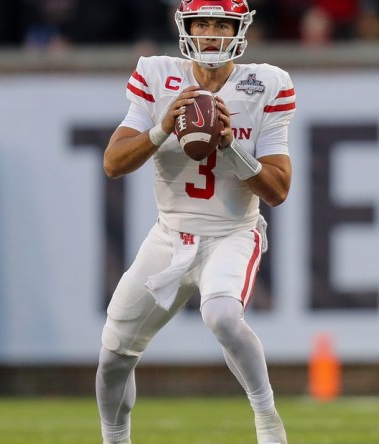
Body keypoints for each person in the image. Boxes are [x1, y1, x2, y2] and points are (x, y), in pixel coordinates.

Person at [94, 1, 296, 443]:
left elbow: (278, 190)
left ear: (238, 30)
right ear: (186, 27)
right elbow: (113, 162)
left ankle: (267, 419)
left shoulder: (267, 84)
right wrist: (162, 127)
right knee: (113, 355)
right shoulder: (156, 74)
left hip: (232, 233)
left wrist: (230, 146)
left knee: (222, 315)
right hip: (169, 235)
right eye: (201, 23)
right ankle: (115, 438)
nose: (209, 34)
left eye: (220, 24)